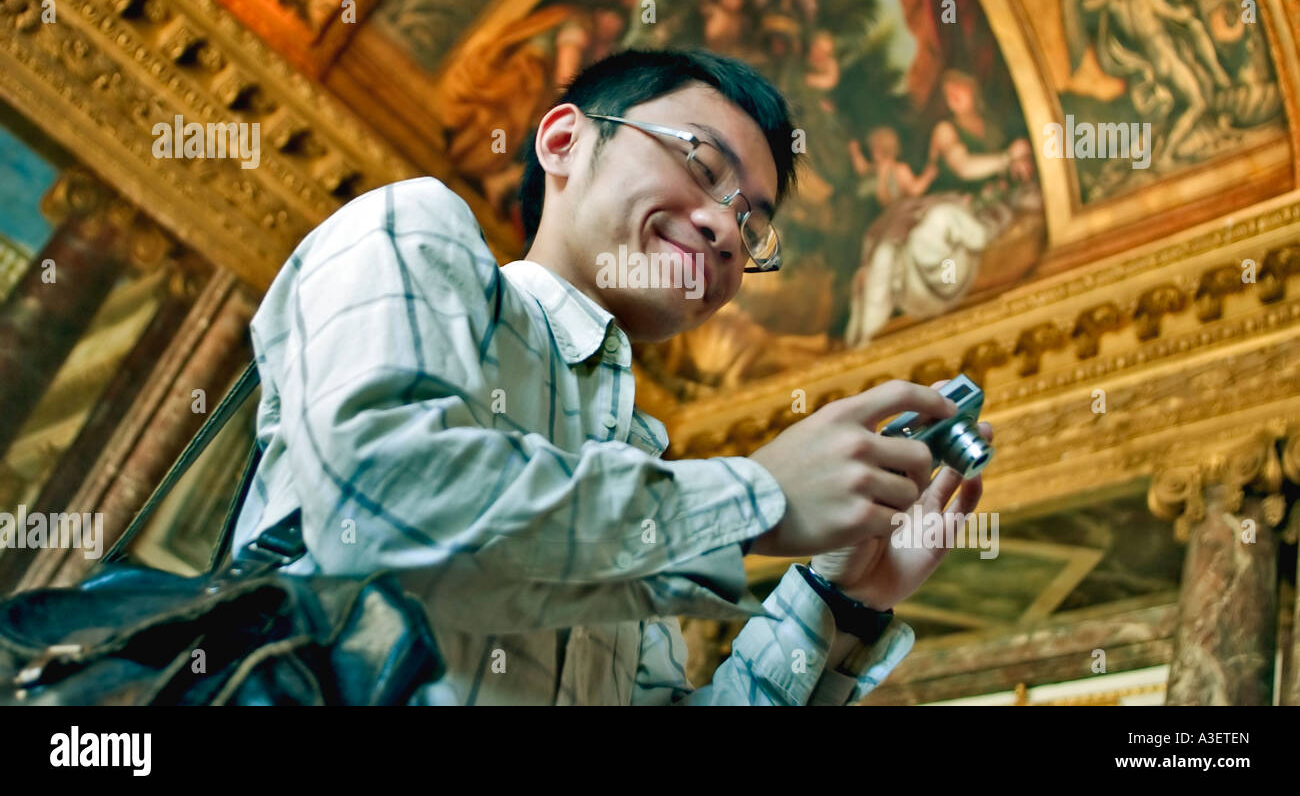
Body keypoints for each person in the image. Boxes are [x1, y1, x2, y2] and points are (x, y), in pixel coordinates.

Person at [231, 48, 991, 705]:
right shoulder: (413, 227)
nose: (727, 228)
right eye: (700, 163)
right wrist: (757, 500)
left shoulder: (635, 482)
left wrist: (838, 599)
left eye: (752, 226)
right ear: (563, 140)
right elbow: (385, 509)